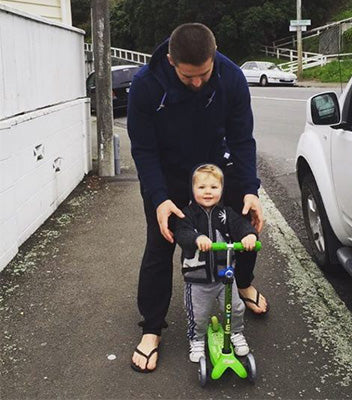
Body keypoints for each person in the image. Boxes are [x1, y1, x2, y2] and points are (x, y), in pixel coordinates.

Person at [127, 22, 268, 373]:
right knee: (160, 247)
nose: (197, 83)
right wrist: (158, 198)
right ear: (172, 60)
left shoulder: (231, 77)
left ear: (214, 56)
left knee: (245, 228)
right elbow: (144, 150)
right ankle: (152, 327)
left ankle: (244, 284)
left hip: (217, 172)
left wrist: (249, 188)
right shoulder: (146, 85)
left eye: (204, 74)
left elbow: (242, 138)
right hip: (170, 177)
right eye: (188, 77)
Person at [174, 164, 257, 362]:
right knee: (198, 314)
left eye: (213, 187)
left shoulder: (226, 213)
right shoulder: (188, 214)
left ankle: (236, 333)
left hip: (224, 276)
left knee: (236, 308)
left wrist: (249, 235)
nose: (208, 192)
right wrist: (196, 238)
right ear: (193, 190)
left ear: (221, 189)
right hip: (198, 278)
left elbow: (241, 225)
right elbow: (181, 233)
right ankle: (197, 338)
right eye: (202, 188)